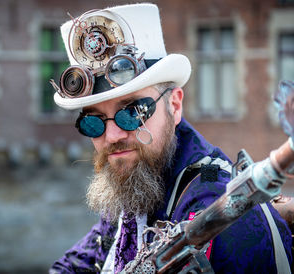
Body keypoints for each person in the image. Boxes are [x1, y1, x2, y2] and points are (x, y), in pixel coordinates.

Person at [49, 3, 292, 273]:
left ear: (174, 106)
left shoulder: (215, 207)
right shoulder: (135, 182)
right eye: (93, 123)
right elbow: (81, 260)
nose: (112, 136)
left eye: (132, 113)